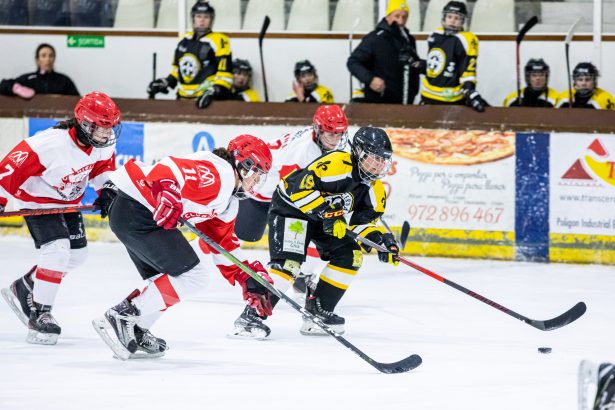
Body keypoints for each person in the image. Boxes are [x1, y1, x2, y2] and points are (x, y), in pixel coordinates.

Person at [92, 135, 275, 360]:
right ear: (244, 165)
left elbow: (221, 242)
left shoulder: (228, 200)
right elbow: (170, 168)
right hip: (136, 207)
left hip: (135, 211)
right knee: (193, 277)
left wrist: (246, 275)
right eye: (256, 173)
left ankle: (136, 328)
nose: (257, 181)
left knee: (165, 280)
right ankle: (125, 314)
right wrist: (167, 190)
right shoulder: (221, 175)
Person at [230, 127, 400, 339]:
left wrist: (382, 242)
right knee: (288, 265)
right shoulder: (336, 163)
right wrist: (329, 215)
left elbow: (363, 224)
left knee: (351, 256)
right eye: (374, 158)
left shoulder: (375, 190)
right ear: (359, 152)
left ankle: (318, 309)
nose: (379, 164)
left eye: (383, 159)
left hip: (323, 220)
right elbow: (296, 188)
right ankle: (251, 316)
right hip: (292, 211)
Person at [0, 92, 121, 345]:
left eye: (110, 128)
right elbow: (7, 170)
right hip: (37, 201)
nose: (107, 134)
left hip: (68, 202)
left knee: (77, 255)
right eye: (102, 128)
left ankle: (26, 286)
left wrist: (106, 188)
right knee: (57, 250)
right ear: (85, 124)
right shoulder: (48, 144)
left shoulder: (103, 142)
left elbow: (102, 167)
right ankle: (40, 313)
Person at [146, 1, 233, 109]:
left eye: (206, 17)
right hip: (181, 101)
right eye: (198, 16)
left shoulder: (220, 40)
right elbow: (176, 71)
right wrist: (165, 82)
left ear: (211, 20)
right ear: (193, 19)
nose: (202, 20)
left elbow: (225, 75)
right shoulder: (184, 40)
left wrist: (213, 91)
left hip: (207, 102)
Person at [347, 0, 422, 104]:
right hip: (379, 103)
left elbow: (414, 66)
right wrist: (371, 79)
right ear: (388, 16)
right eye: (397, 16)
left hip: (406, 103)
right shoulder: (375, 38)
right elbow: (353, 62)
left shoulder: (409, 39)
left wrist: (414, 90)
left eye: (404, 17)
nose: (401, 21)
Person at [420, 1, 488, 112]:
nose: (452, 20)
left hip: (451, 98)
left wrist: (469, 89)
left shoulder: (466, 39)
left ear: (463, 21)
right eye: (450, 16)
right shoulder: (435, 35)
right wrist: (416, 63)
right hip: (427, 95)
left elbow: (468, 69)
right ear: (444, 17)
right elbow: (434, 67)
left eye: (457, 18)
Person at [0, 43, 79, 99]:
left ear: (54, 59)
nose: (47, 59)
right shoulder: (28, 79)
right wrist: (16, 88)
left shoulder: (64, 80)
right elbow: (3, 85)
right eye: (43, 55)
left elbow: (77, 101)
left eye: (51, 56)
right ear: (37, 60)